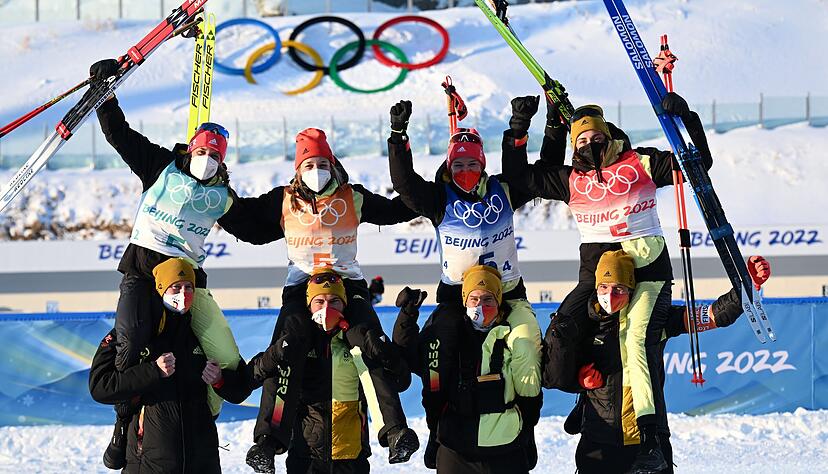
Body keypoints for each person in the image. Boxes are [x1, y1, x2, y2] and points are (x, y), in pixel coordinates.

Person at [502, 92, 713, 468]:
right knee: (564, 329)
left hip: (647, 272)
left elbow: (699, 164)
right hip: (597, 276)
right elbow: (521, 176)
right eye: (580, 140)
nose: (589, 143)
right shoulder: (573, 180)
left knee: (634, 341)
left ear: (608, 134)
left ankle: (649, 438)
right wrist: (520, 128)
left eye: (594, 137)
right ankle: (584, 402)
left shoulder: (639, 161)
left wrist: (687, 117)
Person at [216, 128, 420, 472]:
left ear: (333, 164)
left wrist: (431, 194)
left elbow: (396, 211)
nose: (316, 170)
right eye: (309, 164)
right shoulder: (283, 200)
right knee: (285, 349)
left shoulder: (352, 197)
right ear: (298, 169)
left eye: (322, 163)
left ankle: (396, 431)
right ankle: (267, 442)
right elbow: (247, 225)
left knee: (366, 344)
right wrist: (215, 193)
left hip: (348, 287)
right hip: (301, 289)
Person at [88, 59, 259, 469]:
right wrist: (104, 92)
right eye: (201, 152)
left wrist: (299, 205)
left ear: (222, 162)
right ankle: (121, 428)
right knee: (133, 349)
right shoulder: (161, 167)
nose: (207, 160)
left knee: (218, 346)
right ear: (190, 150)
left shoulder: (221, 196)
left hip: (187, 285)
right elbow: (121, 137)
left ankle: (211, 406)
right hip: (143, 278)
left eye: (214, 157)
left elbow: (255, 227)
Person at [386, 100, 543, 467]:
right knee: (437, 354)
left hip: (508, 295)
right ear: (448, 166)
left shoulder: (503, 189)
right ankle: (436, 431)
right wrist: (398, 135)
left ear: (483, 165)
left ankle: (526, 430)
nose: (466, 170)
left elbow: (520, 171)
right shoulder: (440, 197)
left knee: (525, 347)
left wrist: (518, 127)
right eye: (458, 164)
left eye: (473, 163)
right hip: (458, 298)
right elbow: (404, 183)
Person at [543, 251, 771, 474]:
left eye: (619, 289)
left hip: (648, 442)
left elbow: (712, 316)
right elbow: (558, 369)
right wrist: (580, 380)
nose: (610, 296)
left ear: (632, 290)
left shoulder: (654, 319)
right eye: (604, 287)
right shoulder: (583, 323)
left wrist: (747, 286)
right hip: (599, 437)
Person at [88, 258, 283, 473]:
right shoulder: (135, 334)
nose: (183, 294)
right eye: (176, 287)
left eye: (188, 287)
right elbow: (101, 387)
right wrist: (153, 371)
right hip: (148, 463)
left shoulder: (202, 335)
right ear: (160, 288)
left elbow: (238, 390)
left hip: (202, 461)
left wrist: (220, 381)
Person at [393, 265, 542, 473]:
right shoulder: (447, 336)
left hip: (506, 449)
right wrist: (406, 317)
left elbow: (531, 391)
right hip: (456, 450)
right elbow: (412, 358)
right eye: (474, 299)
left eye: (488, 299)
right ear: (464, 301)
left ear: (499, 301)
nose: (480, 305)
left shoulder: (513, 338)